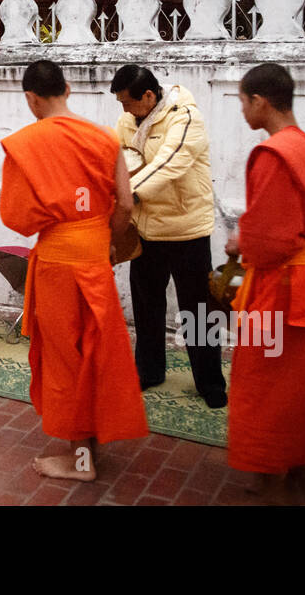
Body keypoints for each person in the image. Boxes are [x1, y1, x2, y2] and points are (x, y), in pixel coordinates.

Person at [0, 59, 148, 482]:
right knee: (96, 348)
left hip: (59, 262)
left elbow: (18, 218)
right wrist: (106, 240)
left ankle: (80, 459)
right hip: (95, 255)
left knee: (66, 357)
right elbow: (124, 203)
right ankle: (92, 443)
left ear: (31, 98)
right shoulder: (104, 136)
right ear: (67, 87)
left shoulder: (24, 143)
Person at [224, 63, 305, 503]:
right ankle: (296, 478)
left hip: (284, 288)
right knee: (299, 387)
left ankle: (274, 484)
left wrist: (241, 244)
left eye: (242, 102)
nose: (241, 111)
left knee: (267, 387)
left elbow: (270, 241)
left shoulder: (274, 153)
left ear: (259, 101)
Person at [110, 64, 227, 407]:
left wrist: (126, 195)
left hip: (186, 230)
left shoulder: (185, 118)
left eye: (128, 102)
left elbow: (170, 163)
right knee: (147, 308)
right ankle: (148, 371)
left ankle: (210, 383)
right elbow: (120, 157)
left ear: (149, 95)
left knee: (198, 312)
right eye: (119, 104)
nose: (124, 111)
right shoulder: (127, 121)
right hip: (146, 231)